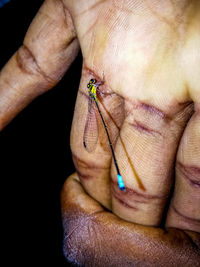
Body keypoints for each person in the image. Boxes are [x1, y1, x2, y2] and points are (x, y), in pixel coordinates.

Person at [0, 0, 199, 265]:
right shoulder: (96, 90)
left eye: (93, 85)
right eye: (94, 85)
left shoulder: (97, 88)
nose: (94, 85)